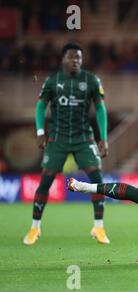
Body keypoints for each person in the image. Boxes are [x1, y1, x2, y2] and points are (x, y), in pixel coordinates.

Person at [23, 43, 110, 245]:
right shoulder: (53, 80)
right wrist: (40, 131)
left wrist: (103, 138)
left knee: (96, 177)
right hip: (57, 138)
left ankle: (99, 227)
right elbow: (40, 107)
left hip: (83, 138)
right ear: (63, 59)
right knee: (46, 180)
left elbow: (100, 109)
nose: (75, 61)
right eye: (71, 57)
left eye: (78, 57)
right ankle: (35, 228)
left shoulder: (91, 80)